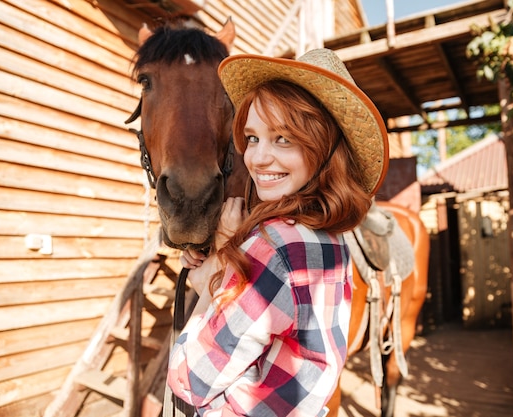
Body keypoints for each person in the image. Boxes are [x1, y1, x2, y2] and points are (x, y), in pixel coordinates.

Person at [166, 48, 389, 416]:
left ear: (324, 147)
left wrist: (211, 285)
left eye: (283, 138)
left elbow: (190, 379)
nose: (257, 158)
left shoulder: (274, 248)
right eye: (252, 138)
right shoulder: (329, 239)